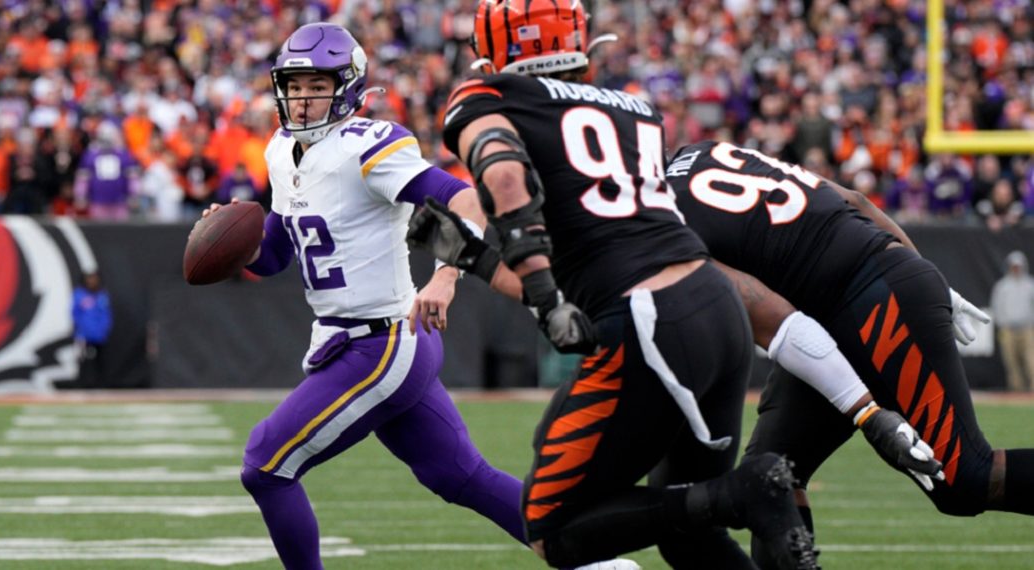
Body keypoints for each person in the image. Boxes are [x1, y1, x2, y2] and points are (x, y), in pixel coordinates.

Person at [408, 2, 818, 568]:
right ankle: (738, 496)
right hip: (713, 307)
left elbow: (504, 174)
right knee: (689, 532)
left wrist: (544, 292)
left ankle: (744, 493)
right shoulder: (638, 112)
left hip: (651, 320)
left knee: (552, 526)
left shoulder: (492, 98)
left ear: (497, 56)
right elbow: (591, 261)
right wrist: (477, 260)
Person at [201, 23, 610, 570]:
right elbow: (275, 254)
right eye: (295, 85)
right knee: (461, 476)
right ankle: (593, 561)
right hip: (349, 341)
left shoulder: (369, 146)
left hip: (384, 342)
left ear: (346, 87)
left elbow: (465, 199)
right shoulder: (281, 149)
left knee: (265, 464)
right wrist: (232, 246)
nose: (302, 98)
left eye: (316, 86)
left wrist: (446, 275)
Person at [661, 140, 1034, 562]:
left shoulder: (660, 215)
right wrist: (920, 272)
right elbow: (855, 200)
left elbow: (778, 321)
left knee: (966, 480)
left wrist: (864, 411)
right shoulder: (708, 151)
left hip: (868, 301)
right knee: (771, 479)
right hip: (855, 295)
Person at [991, 251, 1034, 392]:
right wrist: (1002, 324)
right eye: (1013, 266)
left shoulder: (1030, 285)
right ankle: (1016, 392)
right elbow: (996, 307)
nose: (1016, 269)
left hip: (1027, 329)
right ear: (1009, 267)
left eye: (1018, 266)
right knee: (1011, 363)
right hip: (1008, 330)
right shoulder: (1002, 286)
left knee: (1031, 361)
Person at [71, 272, 112, 388]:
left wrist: (103, 330)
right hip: (84, 335)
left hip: (99, 336)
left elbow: (106, 315)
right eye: (89, 279)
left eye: (94, 279)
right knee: (83, 361)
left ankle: (101, 385)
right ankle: (83, 385)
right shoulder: (79, 295)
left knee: (100, 362)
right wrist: (82, 331)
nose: (92, 281)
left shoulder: (102, 295)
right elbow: (75, 314)